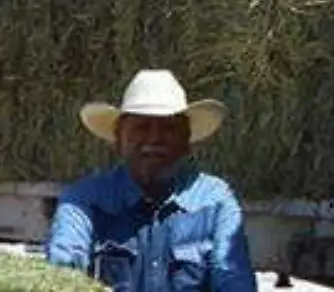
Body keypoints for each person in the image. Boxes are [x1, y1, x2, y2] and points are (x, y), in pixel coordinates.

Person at [45, 69, 255, 291]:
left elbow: (234, 282)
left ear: (187, 142)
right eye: (141, 127)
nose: (154, 139)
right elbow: (62, 274)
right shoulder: (83, 201)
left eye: (168, 128)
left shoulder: (215, 203)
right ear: (118, 140)